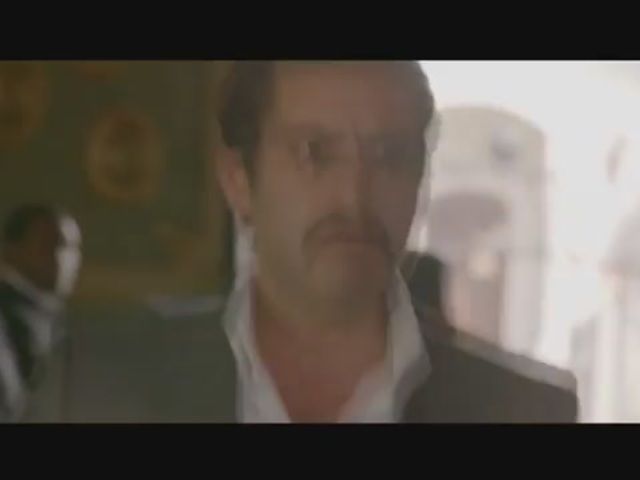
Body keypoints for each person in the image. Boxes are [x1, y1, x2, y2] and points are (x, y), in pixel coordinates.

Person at [28, 61, 578, 423]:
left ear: (420, 180)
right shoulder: (91, 390)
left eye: (390, 155)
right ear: (238, 179)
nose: (354, 195)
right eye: (315, 152)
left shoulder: (527, 413)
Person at [0, 204, 82, 421]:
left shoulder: (48, 316)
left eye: (72, 248)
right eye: (49, 245)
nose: (64, 258)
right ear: (11, 250)